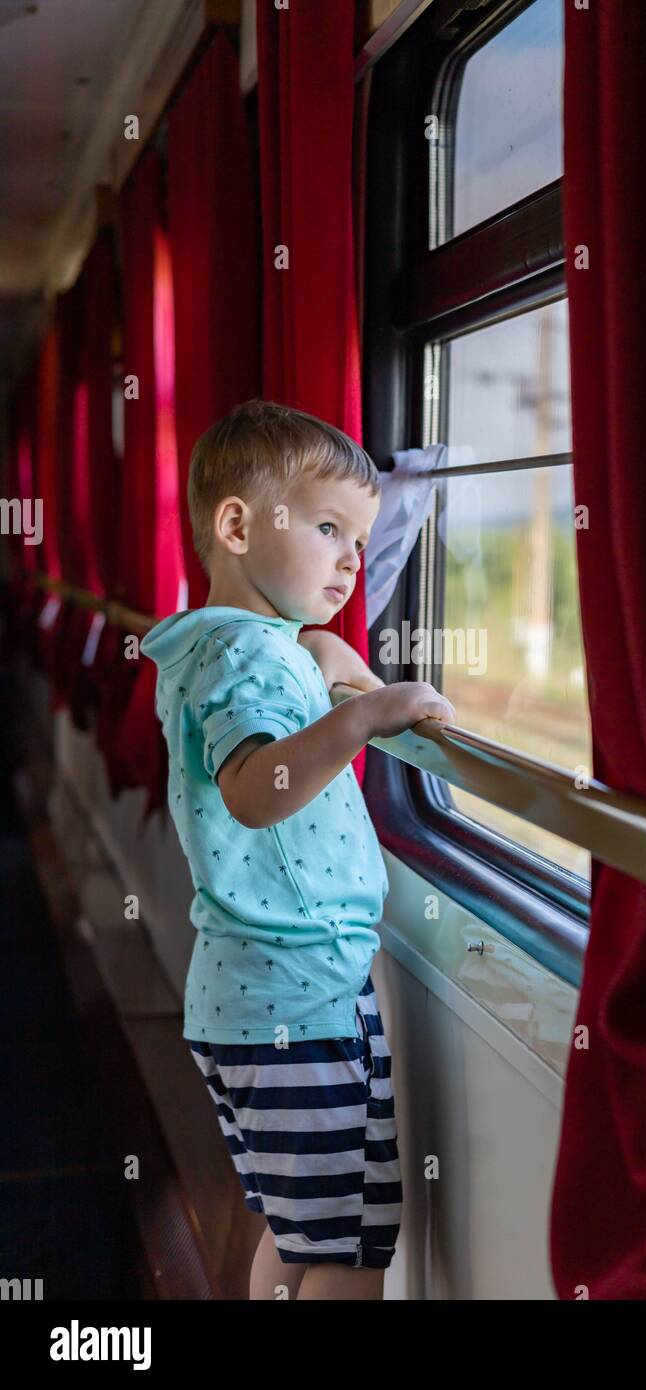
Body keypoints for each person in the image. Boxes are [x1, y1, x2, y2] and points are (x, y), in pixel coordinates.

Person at [140, 399, 455, 1299]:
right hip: (300, 1000)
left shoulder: (232, 646)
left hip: (251, 998)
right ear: (237, 525)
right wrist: (364, 715)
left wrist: (318, 651)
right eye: (328, 529)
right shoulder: (246, 659)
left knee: (299, 1230)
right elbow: (254, 789)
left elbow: (261, 710)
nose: (354, 560)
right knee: (349, 1256)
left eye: (361, 538)